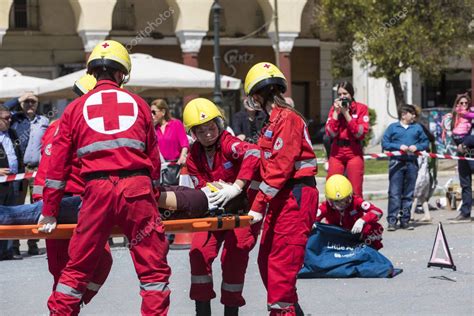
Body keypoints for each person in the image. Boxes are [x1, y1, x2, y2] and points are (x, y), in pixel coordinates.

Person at [39, 40, 171, 315]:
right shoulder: (139, 104)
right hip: (137, 190)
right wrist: (154, 196)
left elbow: (57, 167)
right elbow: (154, 159)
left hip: (95, 193)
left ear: (92, 73)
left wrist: (50, 211)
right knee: (153, 272)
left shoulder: (74, 109)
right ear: (122, 73)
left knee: (76, 268)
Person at [244, 62, 319, 316]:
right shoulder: (272, 123)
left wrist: (257, 206)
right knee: (267, 260)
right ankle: (291, 310)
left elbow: (280, 169)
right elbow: (266, 167)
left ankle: (283, 312)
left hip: (295, 194)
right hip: (282, 196)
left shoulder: (287, 119)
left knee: (280, 265)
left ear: (255, 96)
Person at [182, 97, 261, 316]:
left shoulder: (228, 142)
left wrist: (236, 187)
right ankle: (202, 310)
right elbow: (200, 185)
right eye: (201, 131)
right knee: (198, 252)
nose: (208, 134)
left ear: (219, 124)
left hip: (242, 211)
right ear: (193, 134)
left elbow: (253, 153)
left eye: (211, 127)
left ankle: (231, 311)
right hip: (213, 211)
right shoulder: (193, 155)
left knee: (233, 257)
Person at [4, 92, 49, 255]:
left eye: (33, 101)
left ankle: (33, 243)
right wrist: (18, 98)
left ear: (38, 104)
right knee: (17, 205)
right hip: (20, 172)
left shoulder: (44, 121)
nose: (30, 104)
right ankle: (14, 245)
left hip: (38, 171)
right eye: (26, 102)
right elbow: (4, 108)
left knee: (38, 203)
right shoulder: (15, 119)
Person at [382, 104, 429, 231]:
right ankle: (392, 220)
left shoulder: (417, 127)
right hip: (396, 163)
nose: (414, 116)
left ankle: (405, 220)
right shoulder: (393, 127)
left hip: (411, 163)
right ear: (404, 114)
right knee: (394, 193)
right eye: (411, 113)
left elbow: (425, 142)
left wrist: (417, 147)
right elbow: (385, 143)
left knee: (408, 194)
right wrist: (398, 146)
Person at [325, 81, 369, 197]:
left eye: (345, 93)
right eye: (339, 94)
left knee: (356, 190)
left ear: (351, 94)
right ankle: (333, 214)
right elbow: (331, 133)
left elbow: (360, 133)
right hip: (337, 151)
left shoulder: (361, 108)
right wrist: (335, 113)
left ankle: (355, 214)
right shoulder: (334, 109)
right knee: (332, 187)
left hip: (353, 151)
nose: (342, 97)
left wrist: (346, 114)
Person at [316, 175, 384, 250]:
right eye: (336, 201)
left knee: (375, 227)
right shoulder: (325, 206)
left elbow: (377, 212)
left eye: (345, 200)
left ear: (351, 195)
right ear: (328, 199)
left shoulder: (356, 201)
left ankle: (370, 251)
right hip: (336, 237)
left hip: (356, 234)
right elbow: (312, 220)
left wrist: (362, 220)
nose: (341, 205)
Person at [0, 104, 23, 260]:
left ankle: (8, 251)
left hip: (14, 181)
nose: (10, 120)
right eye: (6, 118)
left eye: (10, 117)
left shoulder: (13, 133)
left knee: (12, 216)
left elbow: (18, 155)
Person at [150, 98, 189, 185]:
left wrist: (183, 156)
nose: (151, 115)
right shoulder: (154, 129)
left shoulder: (176, 124)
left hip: (176, 167)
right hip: (160, 169)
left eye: (154, 112)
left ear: (163, 112)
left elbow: (184, 143)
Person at [449, 93, 473, 223]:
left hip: (471, 152)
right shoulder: (454, 117)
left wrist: (465, 144)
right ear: (457, 104)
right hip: (461, 154)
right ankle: (465, 213)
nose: (464, 105)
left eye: (466, 103)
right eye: (461, 103)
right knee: (465, 184)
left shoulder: (471, 117)